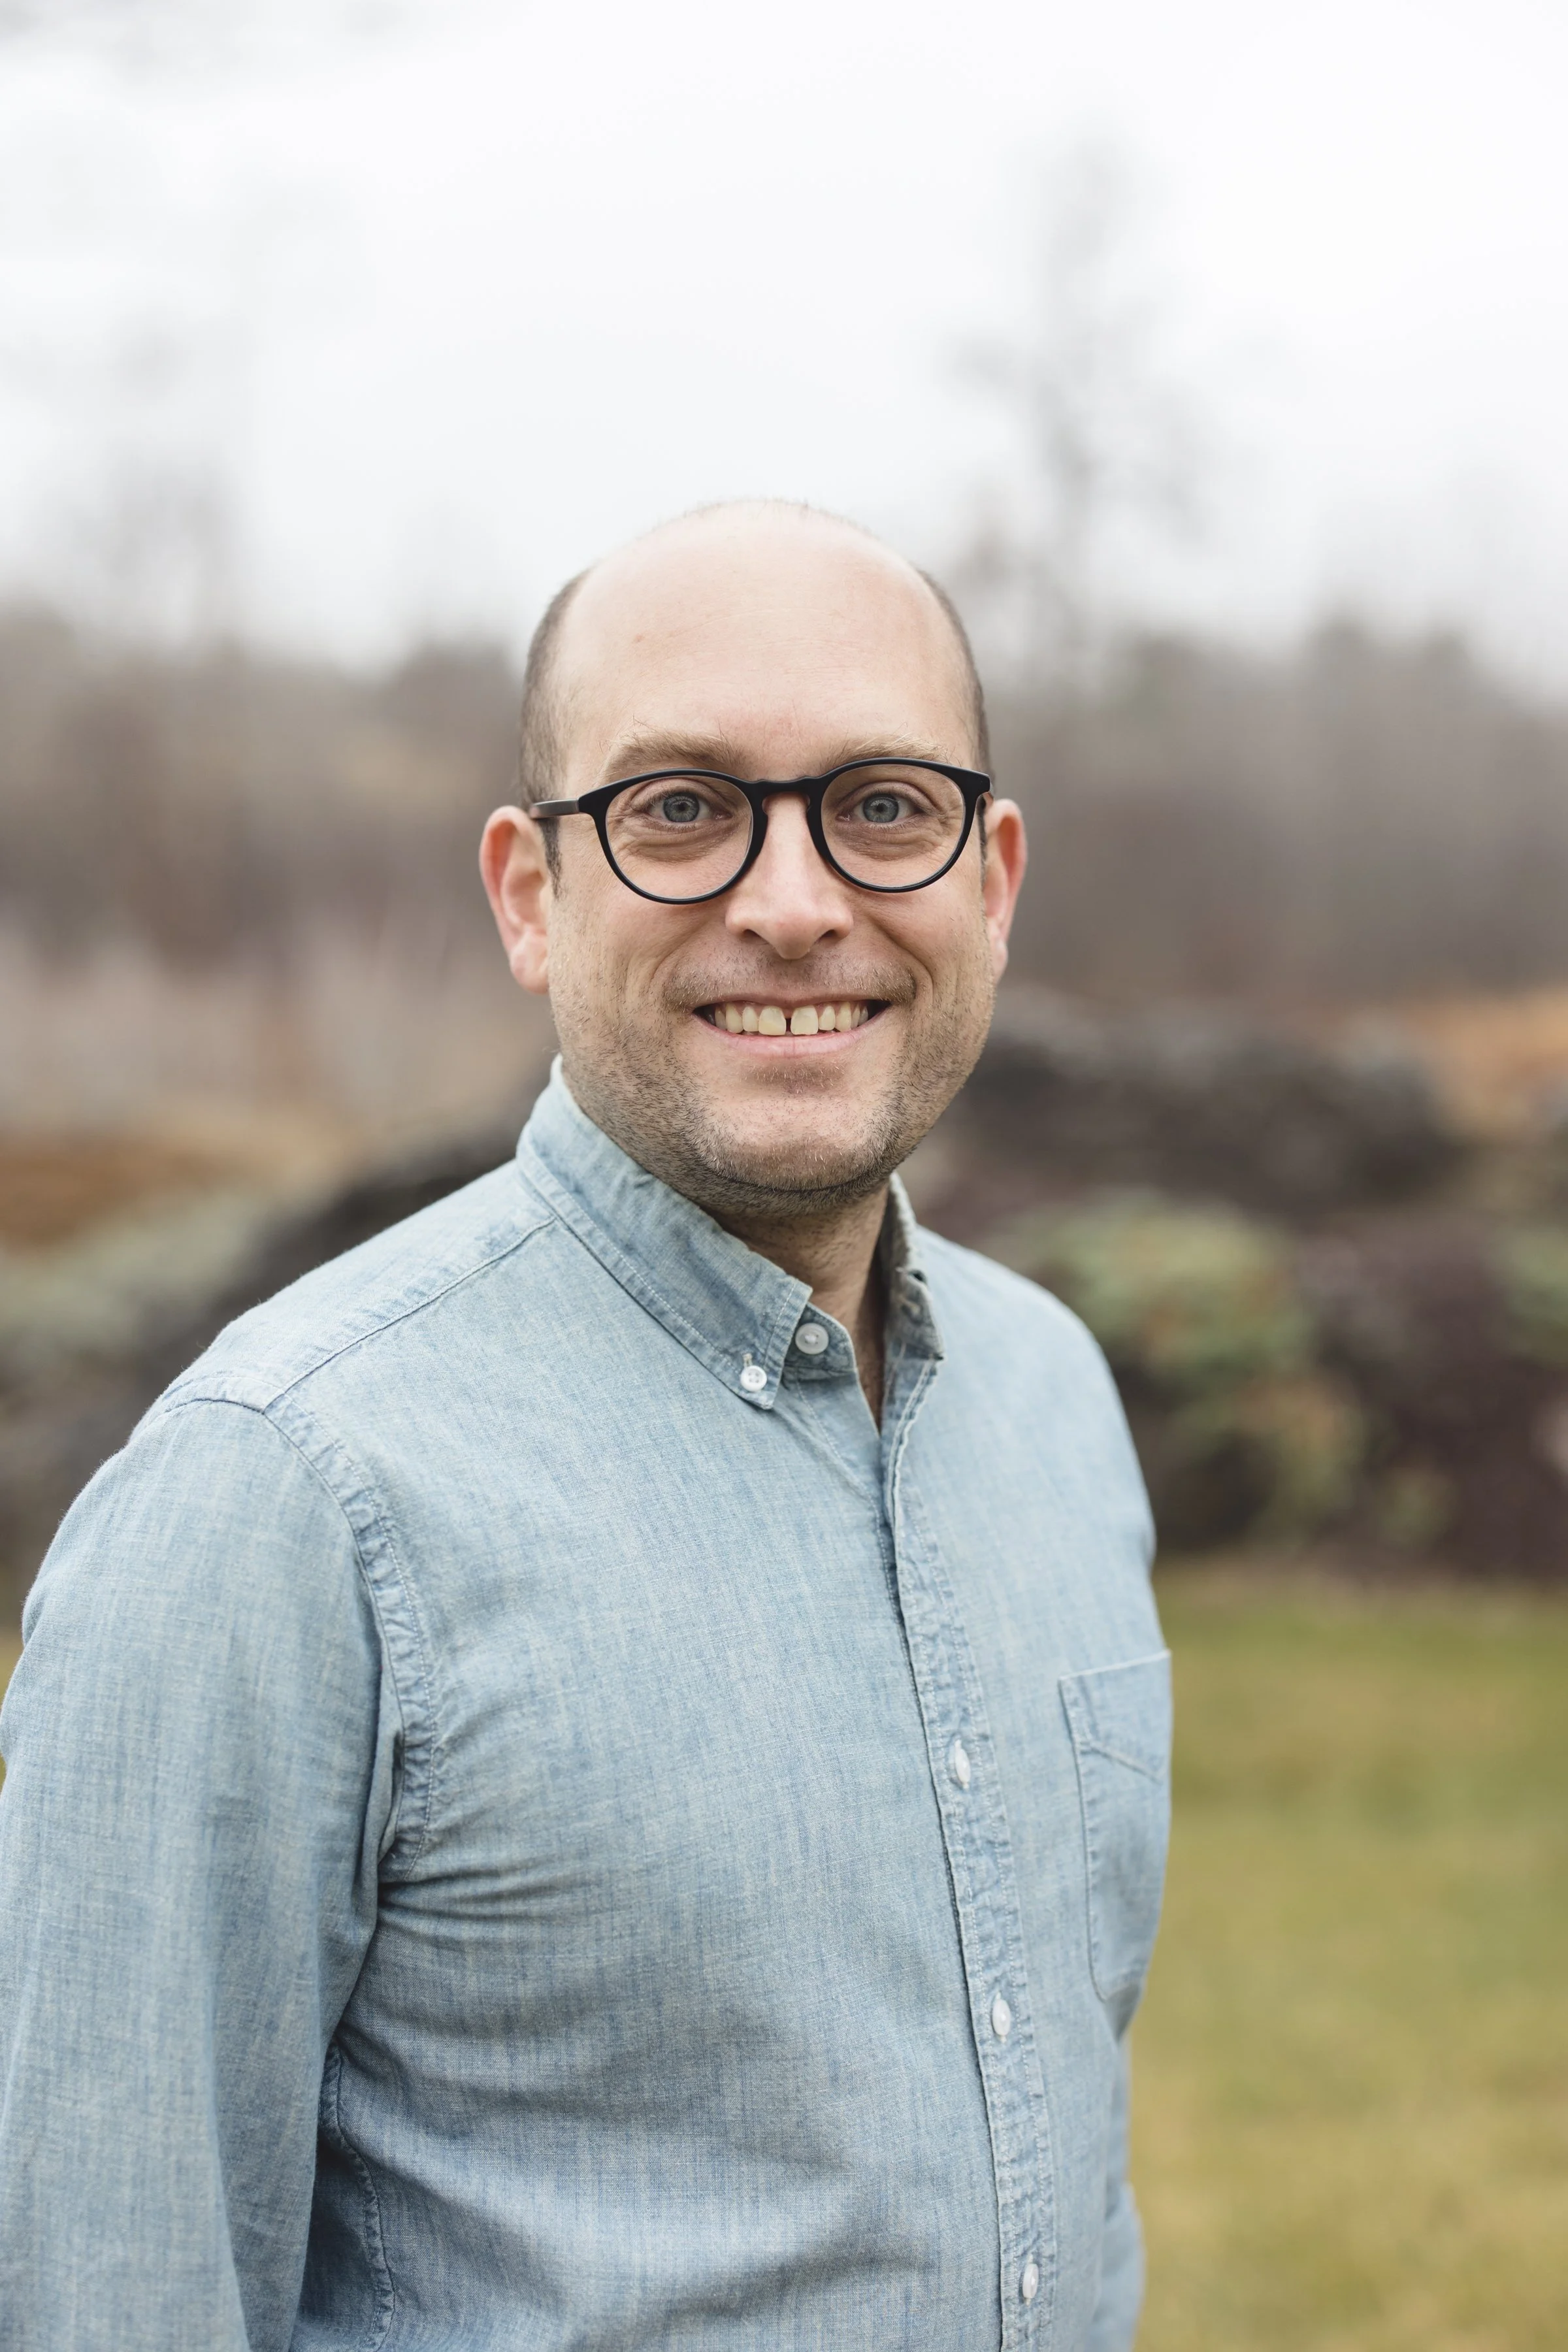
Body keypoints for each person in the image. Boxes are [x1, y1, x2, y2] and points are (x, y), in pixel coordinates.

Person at [0, 501, 1169, 2350]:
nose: (795, 903)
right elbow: (101, 2291)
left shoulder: (1053, 1407)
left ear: (994, 881)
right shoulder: (277, 1500)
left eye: (883, 803)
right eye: (680, 808)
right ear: (533, 897)